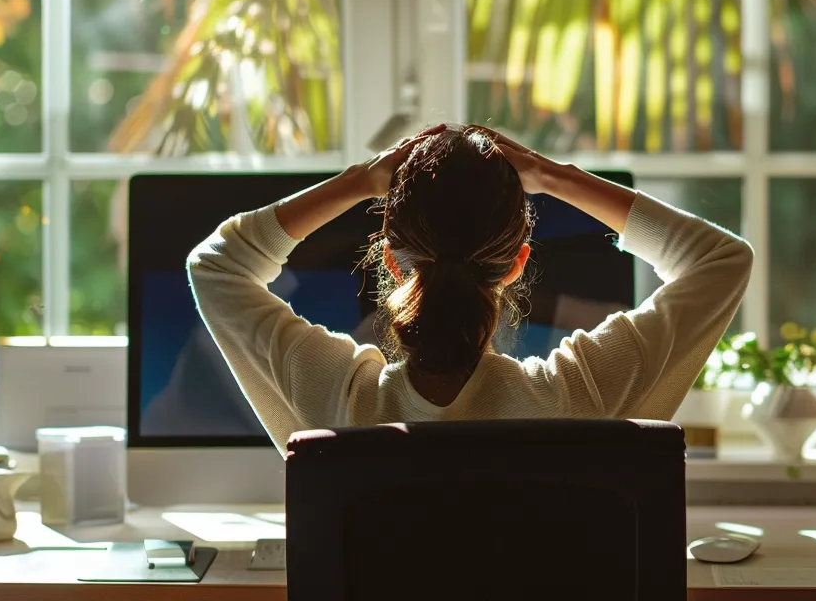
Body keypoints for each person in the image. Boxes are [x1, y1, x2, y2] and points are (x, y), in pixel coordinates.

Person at [187, 124, 754, 452]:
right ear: (516, 264)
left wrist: (360, 180)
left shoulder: (338, 401)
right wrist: (554, 175)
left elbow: (215, 266)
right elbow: (721, 260)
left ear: (391, 260)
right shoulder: (578, 398)